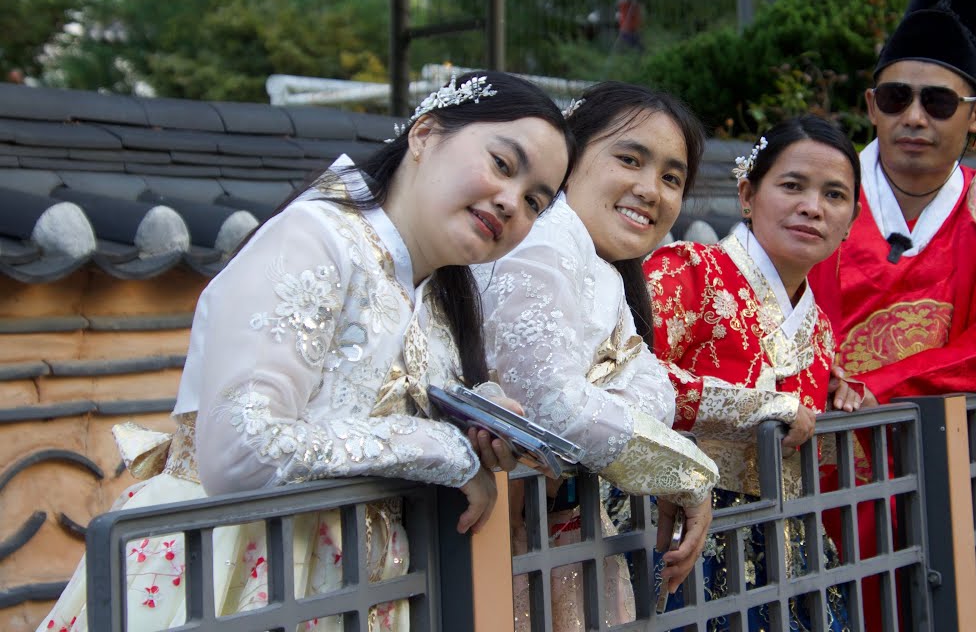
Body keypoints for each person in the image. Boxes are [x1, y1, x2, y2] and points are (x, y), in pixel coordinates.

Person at [37, 71, 575, 632]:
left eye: (536, 200)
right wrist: (438, 446)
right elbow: (243, 451)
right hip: (232, 572)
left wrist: (473, 418)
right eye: (503, 165)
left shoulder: (437, 293)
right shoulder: (314, 237)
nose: (512, 202)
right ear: (424, 134)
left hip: (361, 587)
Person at [809, 0, 976, 632]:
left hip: (956, 471)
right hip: (831, 471)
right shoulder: (816, 199)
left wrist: (883, 382)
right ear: (870, 105)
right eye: (895, 98)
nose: (913, 117)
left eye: (938, 102)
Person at [475, 81, 716, 630]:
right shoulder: (541, 246)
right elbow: (552, 409)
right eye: (630, 159)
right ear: (571, 156)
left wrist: (609, 407)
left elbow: (653, 390)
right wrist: (684, 472)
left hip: (560, 542)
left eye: (672, 178)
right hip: (502, 539)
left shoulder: (598, 265)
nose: (651, 189)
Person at [644, 115, 861, 631]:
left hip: (790, 538)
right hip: (682, 526)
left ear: (851, 220)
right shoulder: (684, 271)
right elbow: (634, 380)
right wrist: (768, 407)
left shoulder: (820, 330)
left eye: (835, 195)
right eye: (792, 186)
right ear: (747, 194)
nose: (813, 207)